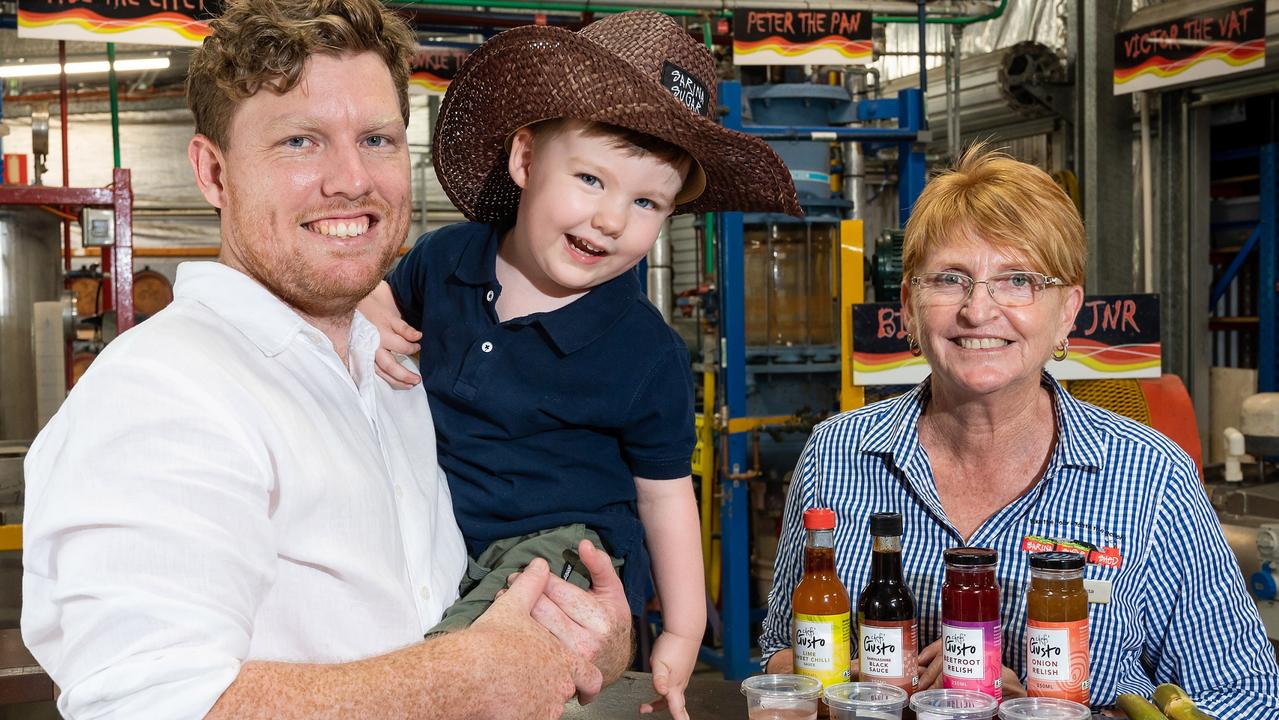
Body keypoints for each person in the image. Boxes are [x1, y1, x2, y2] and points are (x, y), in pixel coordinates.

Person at [20, 0, 632, 718]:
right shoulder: (163, 392)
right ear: (213, 174)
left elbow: (425, 608)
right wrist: (458, 682)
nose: (351, 180)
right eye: (300, 142)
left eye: (376, 139)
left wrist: (591, 638)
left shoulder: (389, 373)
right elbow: (148, 703)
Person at [356, 10, 800, 718]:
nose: (612, 219)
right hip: (435, 534)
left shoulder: (643, 350)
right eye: (591, 179)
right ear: (525, 159)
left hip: (560, 545)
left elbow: (664, 494)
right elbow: (374, 307)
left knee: (481, 662)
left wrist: (684, 630)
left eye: (646, 201)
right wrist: (367, 303)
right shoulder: (444, 262)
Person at [759, 145, 1279, 717]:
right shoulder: (836, 454)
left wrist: (1042, 709)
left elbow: (1244, 696)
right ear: (908, 307)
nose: (978, 311)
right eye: (951, 279)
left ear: (1068, 311)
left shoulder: (1151, 478)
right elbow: (780, 651)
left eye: (1018, 280)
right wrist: (856, 685)